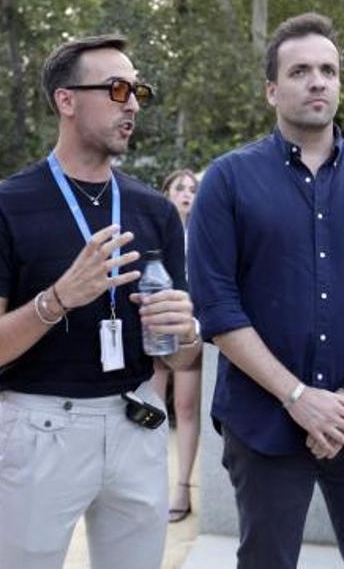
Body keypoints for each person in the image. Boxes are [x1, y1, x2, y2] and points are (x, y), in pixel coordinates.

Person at [189, 13, 344, 569]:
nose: (317, 81)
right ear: (272, 90)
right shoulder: (227, 181)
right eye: (300, 71)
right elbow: (217, 308)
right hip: (263, 422)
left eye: (328, 70)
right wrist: (298, 398)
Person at [0, 34, 201, 569]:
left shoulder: (155, 212)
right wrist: (60, 298)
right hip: (42, 428)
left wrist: (186, 334)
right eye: (117, 88)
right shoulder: (3, 207)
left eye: (137, 90)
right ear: (66, 100)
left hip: (138, 423)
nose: (133, 102)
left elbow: (180, 358)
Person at [150, 168, 201, 524]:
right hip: (153, 333)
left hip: (189, 334)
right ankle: (149, 486)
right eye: (179, 188)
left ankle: (182, 487)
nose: (186, 194)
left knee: (184, 408)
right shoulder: (153, 232)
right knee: (150, 410)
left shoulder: (204, 235)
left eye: (192, 189)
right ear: (166, 193)